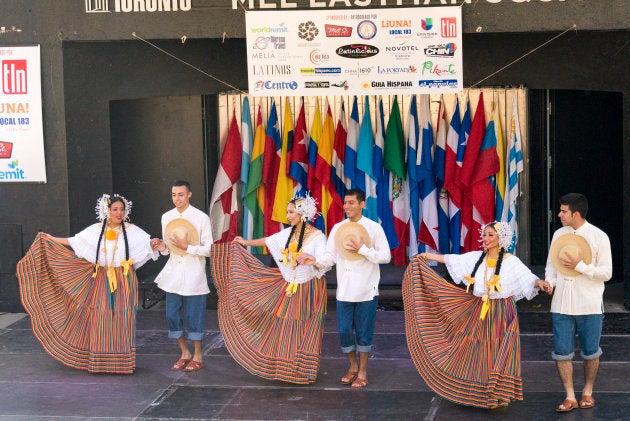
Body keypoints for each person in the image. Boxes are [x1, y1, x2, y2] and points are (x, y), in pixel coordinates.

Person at [406, 221, 552, 408]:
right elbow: (453, 260)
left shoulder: (511, 261)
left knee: (500, 349)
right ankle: (483, 391)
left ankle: (498, 393)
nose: (486, 238)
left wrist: (540, 283)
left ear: (502, 238)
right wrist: (427, 256)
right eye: (485, 234)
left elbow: (528, 278)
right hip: (480, 309)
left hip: (502, 311)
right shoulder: (477, 257)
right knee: (481, 350)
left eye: (491, 235)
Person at [16, 194, 159, 374]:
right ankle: (101, 361)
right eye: (115, 209)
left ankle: (122, 362)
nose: (119, 213)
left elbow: (148, 245)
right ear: (107, 210)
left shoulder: (132, 230)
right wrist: (50, 239)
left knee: (123, 317)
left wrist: (156, 244)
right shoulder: (96, 230)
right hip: (101, 277)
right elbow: (74, 242)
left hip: (124, 277)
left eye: (122, 209)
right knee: (101, 315)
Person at [209, 194, 330, 384]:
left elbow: (326, 261)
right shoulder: (289, 233)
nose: (288, 216)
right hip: (291, 287)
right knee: (288, 326)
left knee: (304, 328)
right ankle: (288, 368)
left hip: (309, 288)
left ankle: (303, 370)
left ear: (302, 213)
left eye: (291, 212)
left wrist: (312, 260)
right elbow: (268, 240)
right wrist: (246, 243)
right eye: (288, 212)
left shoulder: (317, 236)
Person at [311, 188, 391, 389]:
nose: (347, 207)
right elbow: (331, 257)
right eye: (345, 203)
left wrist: (363, 250)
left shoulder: (374, 228)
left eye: (351, 203)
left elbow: (386, 256)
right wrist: (314, 262)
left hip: (366, 289)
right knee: (344, 331)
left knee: (364, 332)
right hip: (344, 290)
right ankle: (353, 367)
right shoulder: (338, 228)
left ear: (362, 204)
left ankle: (363, 372)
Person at [546, 193, 612, 412]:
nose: (559, 214)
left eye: (564, 211)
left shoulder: (598, 236)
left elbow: (607, 273)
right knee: (562, 351)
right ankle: (570, 396)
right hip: (561, 304)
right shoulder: (558, 234)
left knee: (591, 351)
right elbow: (551, 265)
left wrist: (580, 266)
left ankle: (587, 392)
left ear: (576, 213)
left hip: (589, 304)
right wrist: (549, 283)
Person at [152, 180, 212, 372]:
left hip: (194, 272)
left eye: (181, 194)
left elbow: (209, 249)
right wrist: (161, 247)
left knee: (194, 315)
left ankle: (198, 356)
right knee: (171, 314)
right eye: (174, 195)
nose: (177, 199)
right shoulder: (166, 217)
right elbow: (168, 250)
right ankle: (184, 352)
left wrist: (188, 247)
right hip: (173, 274)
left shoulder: (201, 217)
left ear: (189, 195)